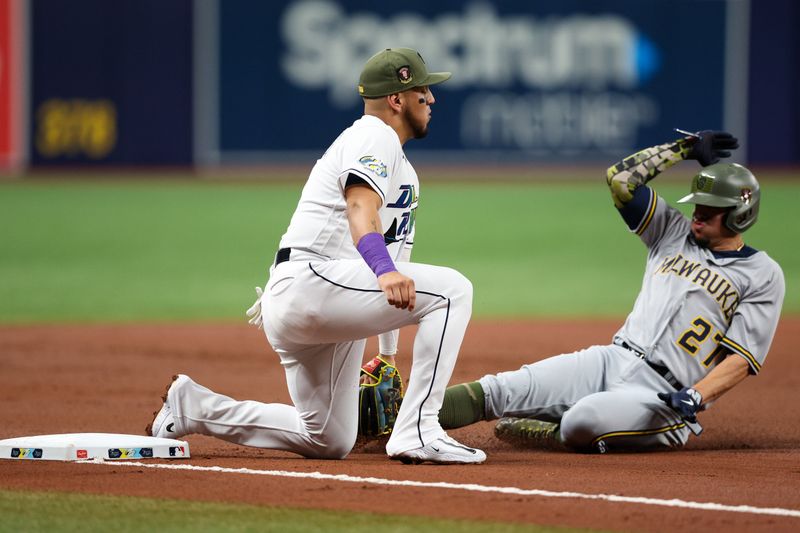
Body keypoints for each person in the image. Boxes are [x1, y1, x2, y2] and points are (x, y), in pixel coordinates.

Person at [145, 48, 485, 465]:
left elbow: (399, 264)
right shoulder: (372, 135)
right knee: (454, 291)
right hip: (312, 283)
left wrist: (389, 353)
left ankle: (194, 408)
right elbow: (361, 210)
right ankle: (419, 428)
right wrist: (382, 270)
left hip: (324, 301)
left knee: (329, 438)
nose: (431, 99)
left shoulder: (404, 171)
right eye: (423, 90)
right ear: (397, 99)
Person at [437, 131, 785, 453]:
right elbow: (621, 180)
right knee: (502, 388)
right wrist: (685, 149)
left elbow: (741, 359)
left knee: (583, 420)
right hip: (610, 358)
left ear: (739, 214)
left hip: (662, 395)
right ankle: (397, 422)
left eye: (711, 210)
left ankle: (552, 430)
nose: (698, 213)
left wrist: (695, 396)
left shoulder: (762, 274)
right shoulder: (671, 231)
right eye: (698, 204)